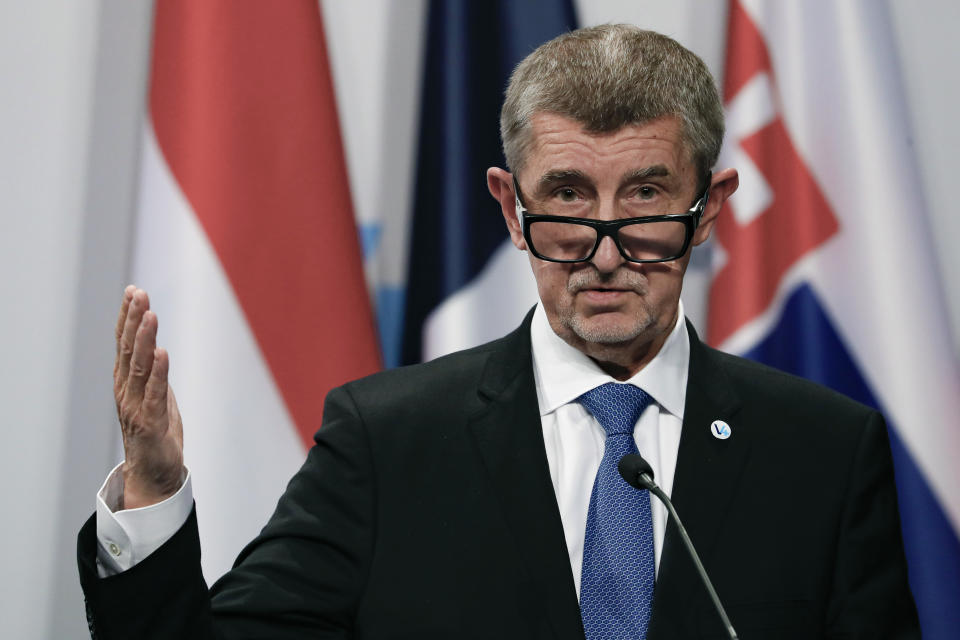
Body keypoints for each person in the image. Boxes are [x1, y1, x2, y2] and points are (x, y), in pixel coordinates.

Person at [78, 25, 919, 639]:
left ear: (710, 211)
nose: (604, 251)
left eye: (645, 199)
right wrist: (152, 494)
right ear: (511, 210)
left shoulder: (824, 452)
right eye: (566, 200)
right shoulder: (389, 441)